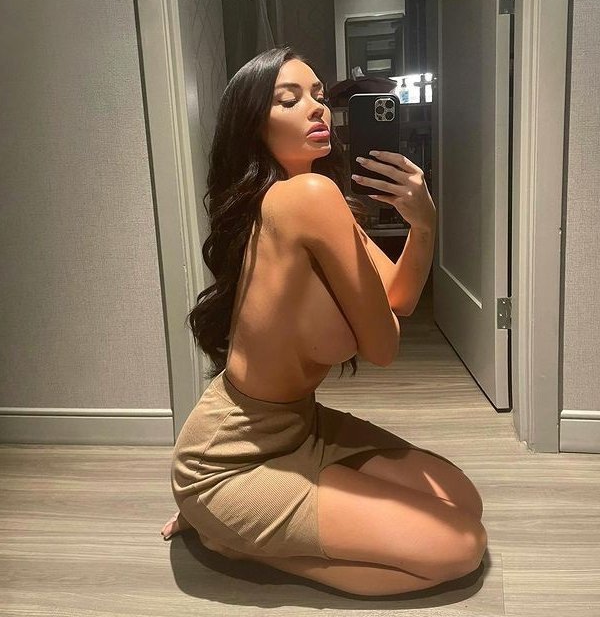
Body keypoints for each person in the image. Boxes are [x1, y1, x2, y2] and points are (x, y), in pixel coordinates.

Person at [160, 46, 487, 597]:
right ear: (253, 126)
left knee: (463, 501)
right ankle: (232, 539)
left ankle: (255, 530)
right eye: (289, 100)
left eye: (317, 94)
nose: (316, 108)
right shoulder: (308, 198)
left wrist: (423, 224)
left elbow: (401, 297)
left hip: (301, 427)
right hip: (231, 462)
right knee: (461, 546)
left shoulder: (310, 198)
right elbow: (384, 346)